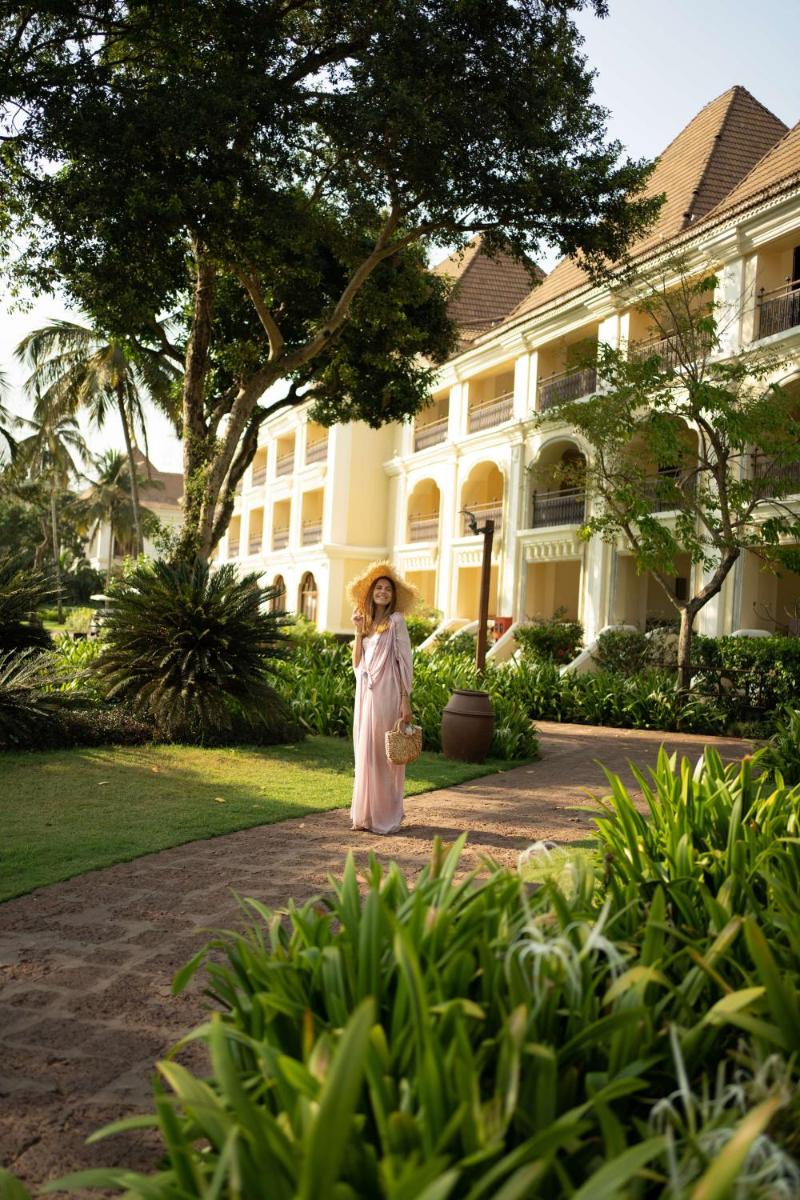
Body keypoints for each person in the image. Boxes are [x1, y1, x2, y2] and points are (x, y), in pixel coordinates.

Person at [347, 561, 417, 834]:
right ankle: (365, 815)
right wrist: (357, 631)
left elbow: (404, 662)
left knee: (384, 753)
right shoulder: (366, 623)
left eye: (388, 588)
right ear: (371, 593)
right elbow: (356, 663)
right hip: (366, 691)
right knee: (365, 752)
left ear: (393, 595)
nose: (383, 592)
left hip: (388, 690)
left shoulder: (396, 622)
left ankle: (386, 815)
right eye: (378, 587)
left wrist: (405, 699)